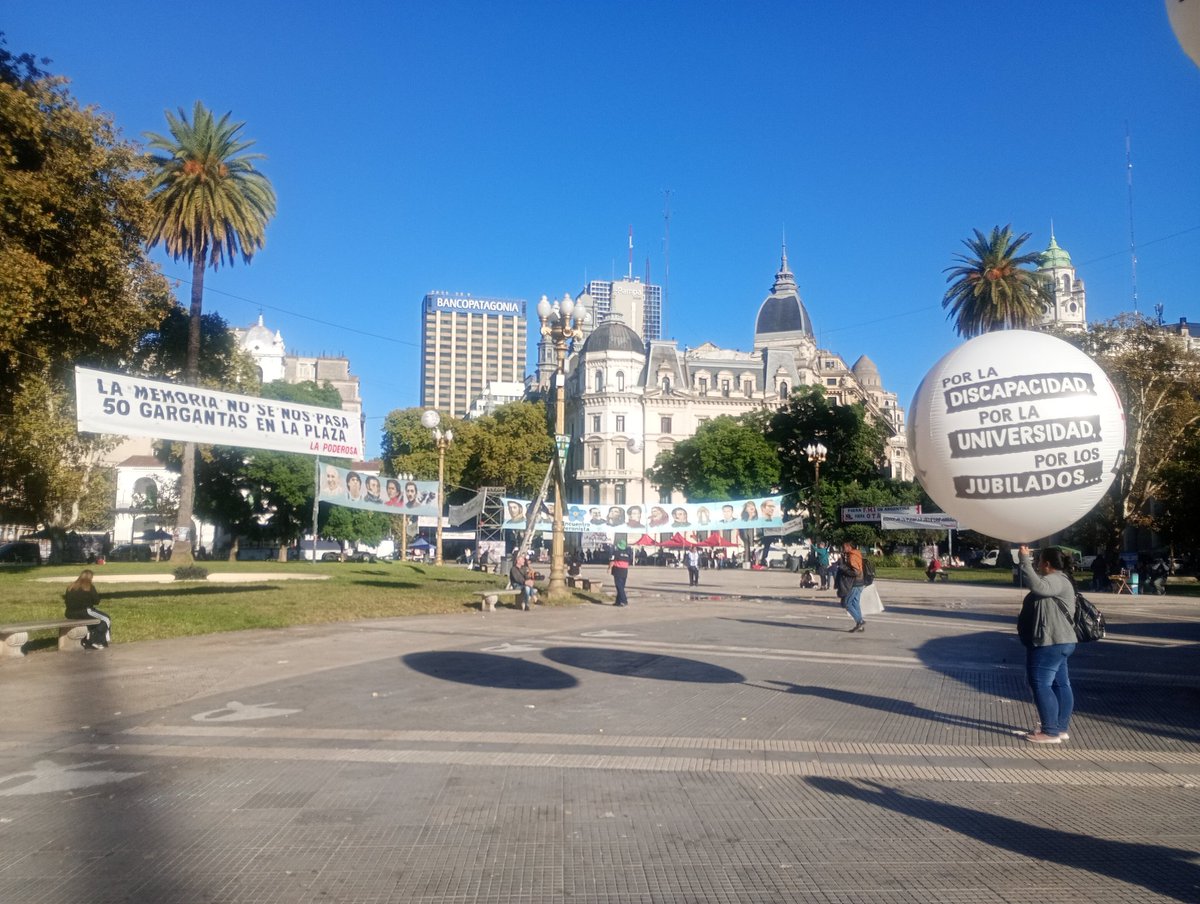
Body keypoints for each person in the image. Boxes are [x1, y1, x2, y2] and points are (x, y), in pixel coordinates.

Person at [1016, 545, 1077, 743]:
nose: (1037, 564)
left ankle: (1050, 731)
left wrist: (1023, 560)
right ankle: (1059, 728)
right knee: (1061, 684)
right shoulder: (1061, 580)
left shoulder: (1055, 580)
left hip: (1051, 642)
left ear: (1047, 564)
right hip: (1062, 640)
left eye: (1039, 560)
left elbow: (1037, 586)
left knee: (1040, 683)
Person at [64, 568, 110, 649]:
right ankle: (96, 640)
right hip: (84, 611)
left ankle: (91, 637)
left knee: (99, 620)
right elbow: (96, 601)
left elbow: (66, 601)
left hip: (70, 613)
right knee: (106, 618)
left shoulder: (71, 587)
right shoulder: (89, 587)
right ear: (90, 578)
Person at [836, 540, 866, 632]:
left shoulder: (852, 556)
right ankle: (860, 626)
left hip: (855, 583)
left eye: (844, 547)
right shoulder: (856, 554)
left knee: (847, 603)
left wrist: (842, 566)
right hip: (860, 583)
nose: (843, 548)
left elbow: (856, 572)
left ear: (849, 547)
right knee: (855, 603)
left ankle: (859, 621)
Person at [610, 539, 633, 606]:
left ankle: (624, 600)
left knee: (619, 587)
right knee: (621, 587)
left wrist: (609, 568)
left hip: (617, 571)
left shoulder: (616, 552)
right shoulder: (627, 554)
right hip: (625, 572)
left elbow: (612, 561)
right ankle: (618, 601)